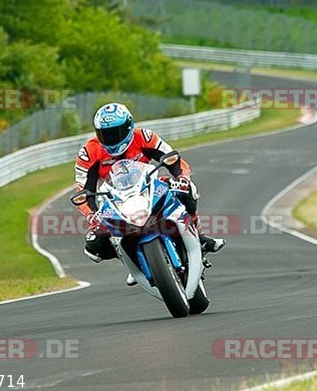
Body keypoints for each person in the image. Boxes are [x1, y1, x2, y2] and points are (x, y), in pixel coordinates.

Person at [73, 103, 226, 275]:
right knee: (95, 244)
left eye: (116, 132)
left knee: (185, 190)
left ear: (129, 126)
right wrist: (92, 214)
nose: (111, 138)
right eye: (105, 134)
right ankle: (132, 262)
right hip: (114, 198)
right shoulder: (89, 152)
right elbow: (83, 190)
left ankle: (199, 236)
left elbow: (173, 159)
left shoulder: (143, 137)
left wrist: (182, 178)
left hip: (148, 186)